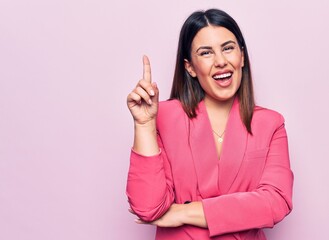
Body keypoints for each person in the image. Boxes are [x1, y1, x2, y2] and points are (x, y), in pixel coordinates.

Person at [126, 8, 293, 240]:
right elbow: (148, 207)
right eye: (206, 53)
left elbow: (276, 201)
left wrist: (183, 212)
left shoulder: (271, 123)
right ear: (190, 67)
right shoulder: (163, 117)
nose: (221, 61)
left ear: (241, 56)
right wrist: (144, 125)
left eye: (228, 48)